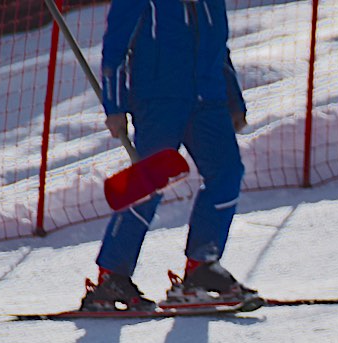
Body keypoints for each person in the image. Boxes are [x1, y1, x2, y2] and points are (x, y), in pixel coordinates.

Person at [81, 0, 255, 312]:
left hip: (209, 100)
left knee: (228, 172)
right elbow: (115, 48)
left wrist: (233, 100)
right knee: (148, 182)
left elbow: (219, 49)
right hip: (159, 100)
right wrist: (115, 105)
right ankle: (111, 276)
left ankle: (201, 267)